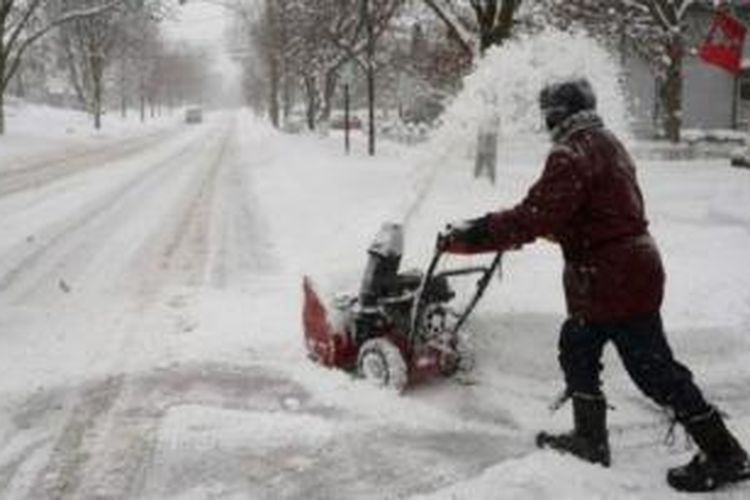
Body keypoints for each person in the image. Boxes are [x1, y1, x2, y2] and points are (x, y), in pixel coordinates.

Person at [440, 78, 750, 492]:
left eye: (548, 113)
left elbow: (535, 214)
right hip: (620, 269)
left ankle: (725, 453)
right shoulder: (604, 142)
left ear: (559, 113)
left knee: (653, 370)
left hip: (614, 276)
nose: (546, 122)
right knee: (578, 347)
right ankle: (590, 439)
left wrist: (475, 232)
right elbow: (593, 208)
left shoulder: (572, 152)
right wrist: (561, 229)